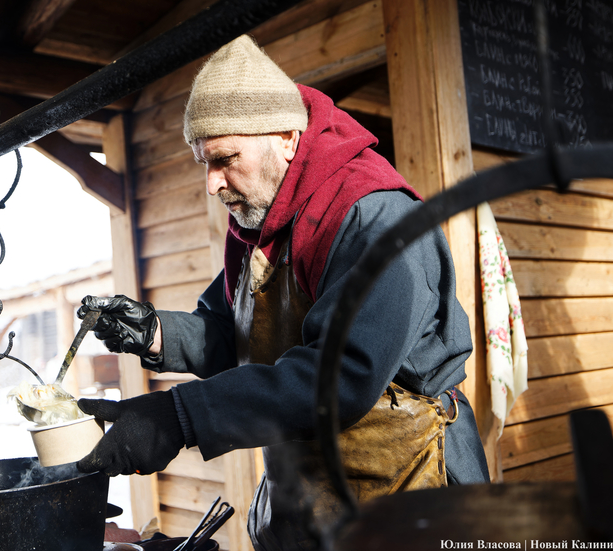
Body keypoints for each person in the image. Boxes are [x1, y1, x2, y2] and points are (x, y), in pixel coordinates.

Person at [75, 35, 489, 550]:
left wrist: (180, 417)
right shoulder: (264, 225)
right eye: (203, 161)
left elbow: (341, 377)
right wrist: (154, 332)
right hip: (310, 494)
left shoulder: (374, 218)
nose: (212, 183)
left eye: (225, 158)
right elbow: (232, 331)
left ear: (288, 138)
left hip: (406, 489)